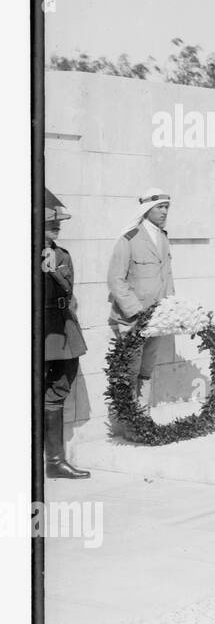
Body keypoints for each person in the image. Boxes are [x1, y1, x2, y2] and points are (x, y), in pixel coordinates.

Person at [107, 188, 176, 437]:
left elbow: (166, 277)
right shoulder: (129, 239)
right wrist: (136, 313)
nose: (165, 211)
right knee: (130, 370)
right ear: (147, 209)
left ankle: (143, 422)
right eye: (160, 207)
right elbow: (115, 280)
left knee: (147, 370)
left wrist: (169, 309)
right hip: (132, 320)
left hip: (156, 320)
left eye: (167, 207)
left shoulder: (163, 238)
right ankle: (129, 425)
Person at [42, 202, 90, 478]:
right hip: (38, 327)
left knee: (60, 386)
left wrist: (51, 267)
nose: (57, 226)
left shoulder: (62, 254)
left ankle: (55, 462)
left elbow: (67, 287)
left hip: (62, 326)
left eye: (58, 223)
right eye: (51, 223)